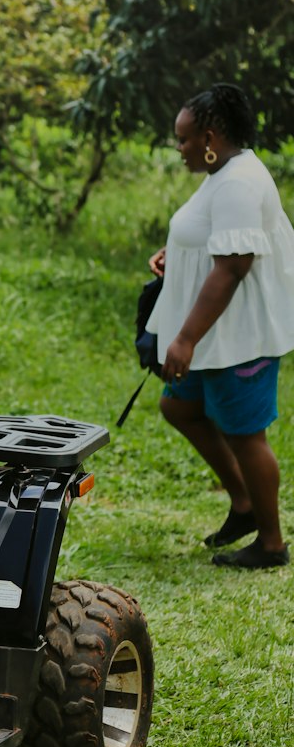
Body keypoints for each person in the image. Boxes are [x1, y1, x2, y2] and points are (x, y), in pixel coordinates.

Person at [145, 83, 294, 569]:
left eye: (184, 140)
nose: (180, 149)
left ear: (210, 136)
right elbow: (217, 239)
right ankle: (244, 504)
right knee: (179, 407)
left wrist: (184, 338)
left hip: (238, 337)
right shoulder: (223, 172)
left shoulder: (237, 181)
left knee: (245, 433)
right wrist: (178, 256)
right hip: (215, 336)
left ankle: (271, 544)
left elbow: (233, 266)